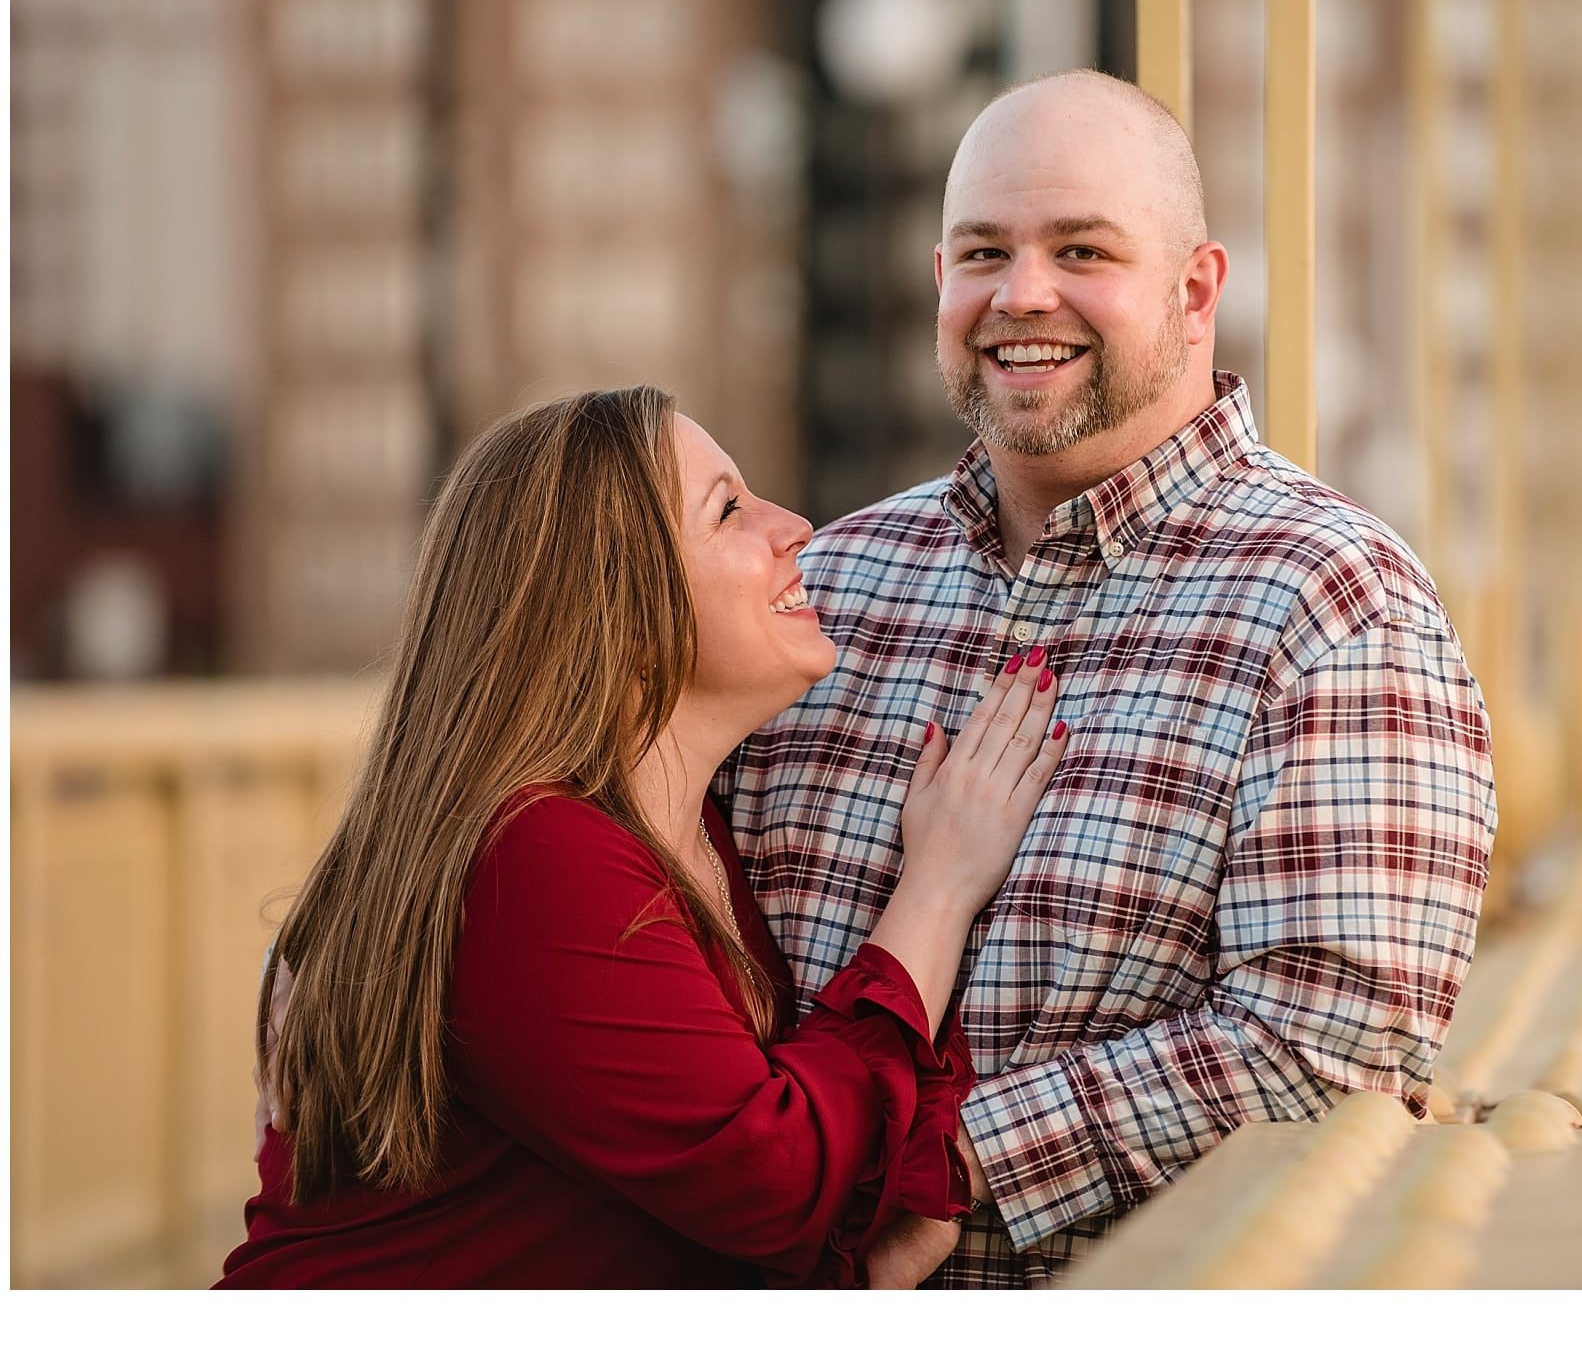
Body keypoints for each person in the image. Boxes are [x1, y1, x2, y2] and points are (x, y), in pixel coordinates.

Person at [716, 70, 1499, 1287]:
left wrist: (946, 1164)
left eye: (1081, 250)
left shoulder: (1334, 603)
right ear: (938, 282)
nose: (1021, 295)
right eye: (982, 252)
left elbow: (1331, 1046)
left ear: (1195, 293)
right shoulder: (822, 588)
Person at [218, 385, 1072, 1288]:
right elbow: (768, 1180)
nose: (795, 527)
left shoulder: (691, 829)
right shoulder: (532, 851)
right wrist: (936, 890)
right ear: (614, 601)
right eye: (729, 509)